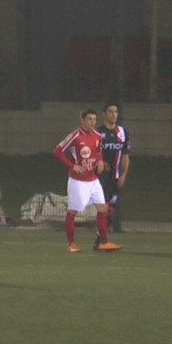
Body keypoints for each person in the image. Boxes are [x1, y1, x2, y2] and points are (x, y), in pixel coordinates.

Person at [53, 108, 123, 253]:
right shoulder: (75, 136)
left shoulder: (97, 136)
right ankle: (71, 244)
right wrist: (73, 166)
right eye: (90, 119)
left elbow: (98, 152)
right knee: (72, 211)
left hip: (93, 180)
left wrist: (100, 161)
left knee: (103, 209)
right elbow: (57, 152)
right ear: (82, 120)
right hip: (78, 181)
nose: (92, 122)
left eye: (94, 119)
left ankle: (103, 242)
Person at [96, 101, 131, 236]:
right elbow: (91, 153)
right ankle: (102, 231)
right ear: (104, 114)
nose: (113, 114)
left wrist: (123, 175)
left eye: (115, 112)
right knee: (103, 203)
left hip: (116, 175)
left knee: (113, 203)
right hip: (101, 175)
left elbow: (126, 155)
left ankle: (106, 226)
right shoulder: (98, 133)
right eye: (110, 111)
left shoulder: (122, 132)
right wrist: (100, 162)